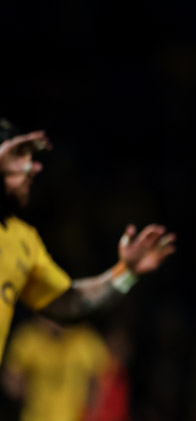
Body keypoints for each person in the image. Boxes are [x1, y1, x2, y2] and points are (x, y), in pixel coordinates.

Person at [0, 119, 176, 360]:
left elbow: (67, 302)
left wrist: (126, 272)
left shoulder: (23, 239)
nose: (34, 167)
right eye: (19, 156)